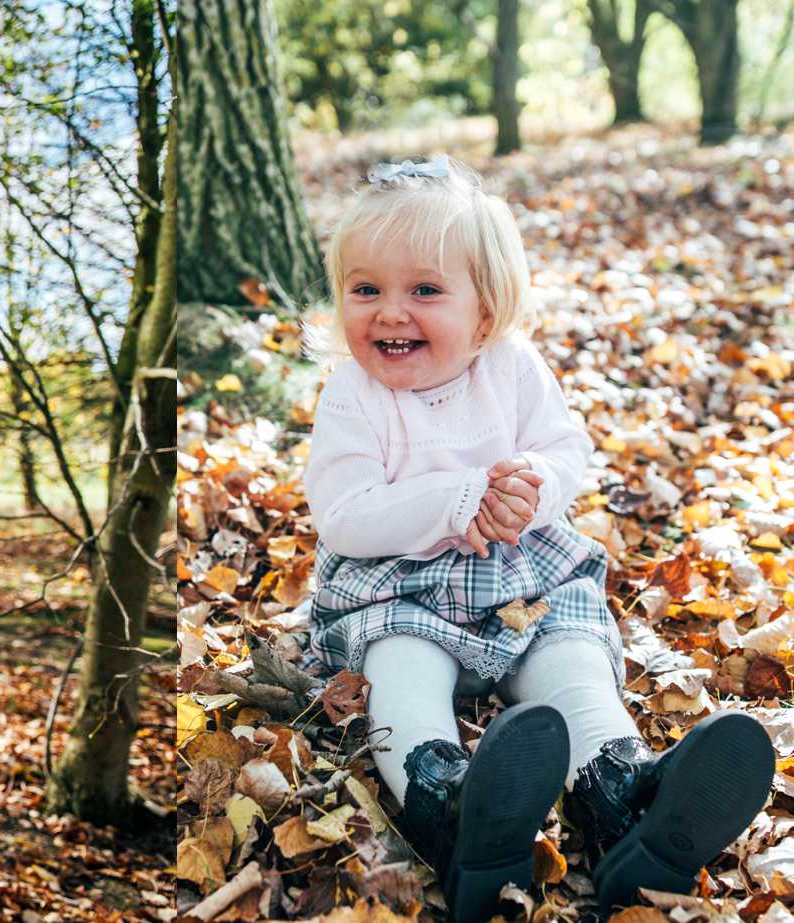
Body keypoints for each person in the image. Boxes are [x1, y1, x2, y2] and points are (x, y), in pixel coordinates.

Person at [300, 154, 771, 919]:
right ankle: (447, 800)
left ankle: (623, 795)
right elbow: (346, 513)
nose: (390, 311)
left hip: (522, 579)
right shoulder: (352, 395)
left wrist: (535, 487)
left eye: (424, 289)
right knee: (402, 671)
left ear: (483, 313)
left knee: (573, 662)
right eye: (366, 289)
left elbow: (567, 452)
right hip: (401, 590)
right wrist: (456, 499)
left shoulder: (511, 368)